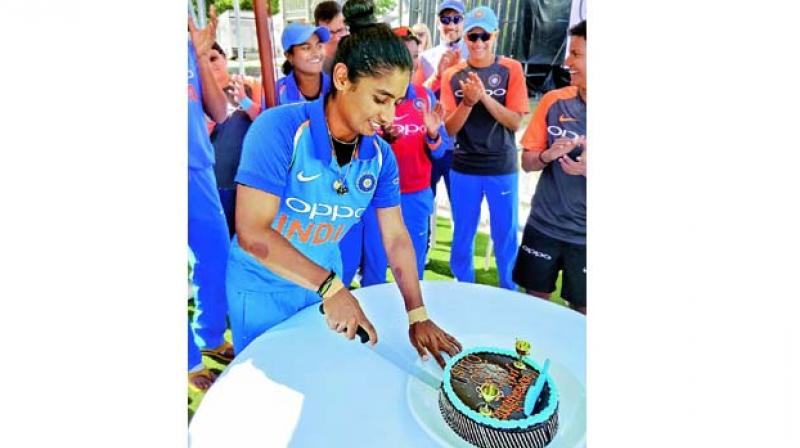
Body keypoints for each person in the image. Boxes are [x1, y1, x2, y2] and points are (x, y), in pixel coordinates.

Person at [225, 0, 462, 367]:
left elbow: (396, 237)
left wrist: (417, 314)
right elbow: (252, 233)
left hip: (323, 288)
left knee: (320, 382)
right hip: (263, 289)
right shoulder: (279, 130)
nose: (388, 116)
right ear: (341, 79)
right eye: (380, 99)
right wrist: (330, 287)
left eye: (396, 102)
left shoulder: (381, 157)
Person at [340, 26, 451, 287]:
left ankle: (413, 322)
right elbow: (352, 153)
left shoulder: (424, 96)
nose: (409, 64)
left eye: (414, 56)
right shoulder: (368, 97)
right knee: (375, 272)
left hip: (416, 195)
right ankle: (372, 324)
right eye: (403, 55)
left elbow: (441, 151)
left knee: (413, 272)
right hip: (377, 197)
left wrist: (434, 135)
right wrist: (381, 140)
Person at [440, 6, 530, 291]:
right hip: (464, 167)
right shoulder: (452, 74)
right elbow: (450, 129)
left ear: (495, 35)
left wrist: (483, 98)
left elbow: (515, 121)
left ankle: (508, 289)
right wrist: (467, 102)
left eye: (484, 36)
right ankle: (463, 287)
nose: (478, 43)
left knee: (505, 233)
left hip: (500, 167)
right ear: (464, 37)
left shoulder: (510, 69)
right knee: (463, 233)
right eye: (472, 36)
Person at [513, 20, 587, 315]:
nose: (567, 62)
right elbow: (527, 162)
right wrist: (547, 155)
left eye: (577, 54)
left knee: (582, 315)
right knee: (532, 309)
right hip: (543, 226)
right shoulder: (554, 101)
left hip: (586, 238)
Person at [187, 7, 235, 391]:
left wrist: (202, 56)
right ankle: (186, 360)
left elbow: (219, 112)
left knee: (216, 256)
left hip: (198, 169)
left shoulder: (189, 48)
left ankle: (210, 335)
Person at [207, 42, 261, 237]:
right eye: (202, 63)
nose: (210, 66)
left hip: (252, 184)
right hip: (216, 187)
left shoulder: (250, 85)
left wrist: (246, 103)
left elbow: (269, 121)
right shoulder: (196, 97)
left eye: (213, 58)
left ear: (224, 57)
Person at [276, 22, 332, 105]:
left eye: (319, 46)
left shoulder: (336, 87)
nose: (316, 53)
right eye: (306, 48)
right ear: (289, 56)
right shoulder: (277, 93)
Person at [314, 1, 348, 74]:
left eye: (340, 30)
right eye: (330, 33)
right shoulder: (311, 63)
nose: (336, 38)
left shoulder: (356, 52)